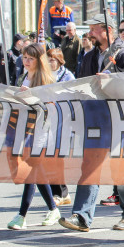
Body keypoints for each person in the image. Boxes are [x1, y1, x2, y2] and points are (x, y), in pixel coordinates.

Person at [59, 13, 124, 232]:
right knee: (90, 167)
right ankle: (82, 216)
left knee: (121, 167)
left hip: (120, 119)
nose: (90, 33)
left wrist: (113, 81)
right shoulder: (88, 56)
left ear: (108, 30)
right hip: (95, 117)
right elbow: (81, 84)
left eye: (95, 29)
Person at [7, 44, 61, 229]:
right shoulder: (23, 76)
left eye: (30, 58)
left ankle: (21, 215)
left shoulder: (44, 79)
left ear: (39, 60)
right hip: (25, 128)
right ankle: (53, 209)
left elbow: (50, 107)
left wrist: (29, 98)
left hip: (41, 129)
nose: (26, 62)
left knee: (32, 168)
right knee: (36, 171)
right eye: (24, 58)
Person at [46, 48, 74, 206]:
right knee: (48, 157)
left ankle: (60, 192)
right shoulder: (44, 75)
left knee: (56, 157)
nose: (50, 63)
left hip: (62, 120)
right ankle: (58, 191)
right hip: (47, 120)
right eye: (48, 59)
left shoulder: (67, 76)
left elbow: (72, 95)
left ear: (59, 60)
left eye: (52, 60)